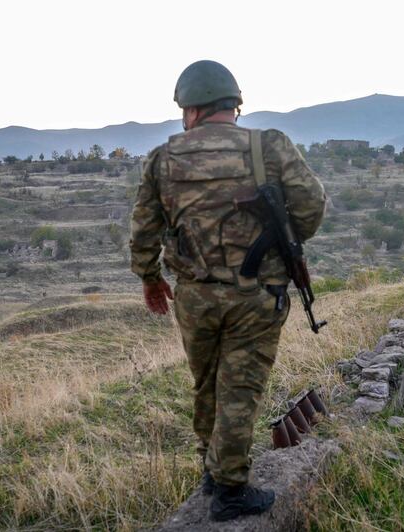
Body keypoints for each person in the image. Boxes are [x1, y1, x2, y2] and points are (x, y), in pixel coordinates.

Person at [129, 60, 326, 522]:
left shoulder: (162, 158)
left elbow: (144, 231)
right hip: (257, 295)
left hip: (194, 297)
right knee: (241, 388)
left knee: (208, 384)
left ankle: (212, 471)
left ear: (191, 109)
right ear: (234, 105)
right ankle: (231, 489)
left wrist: (150, 278)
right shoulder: (269, 147)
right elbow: (312, 211)